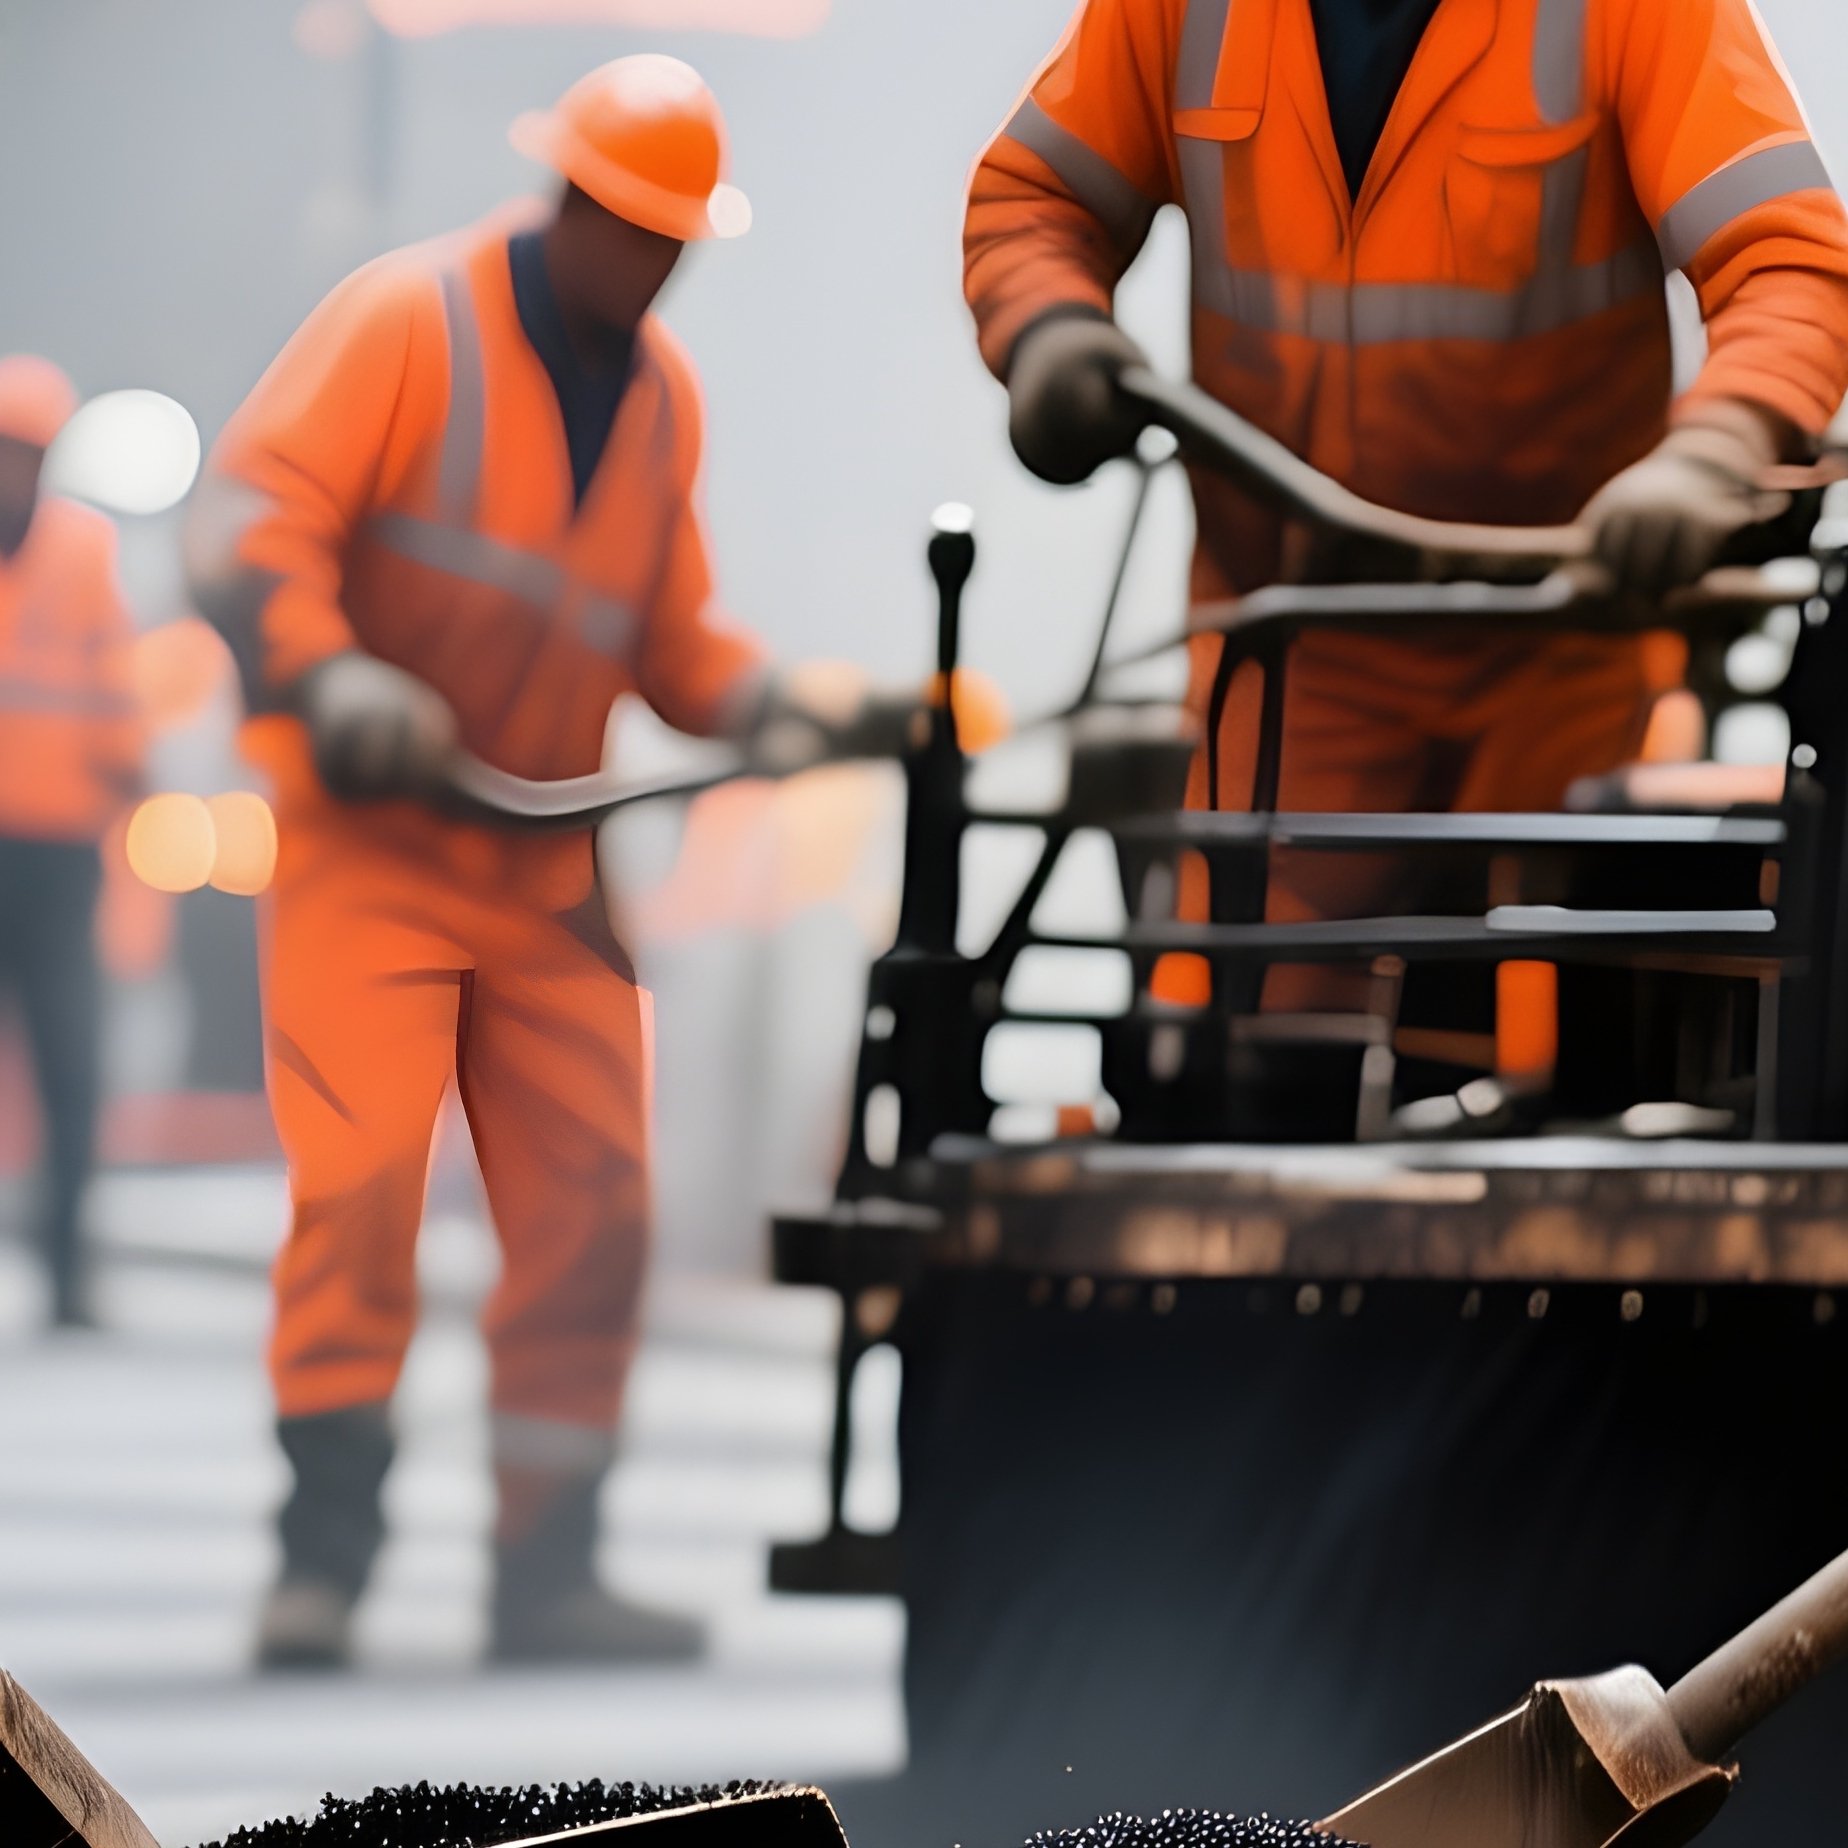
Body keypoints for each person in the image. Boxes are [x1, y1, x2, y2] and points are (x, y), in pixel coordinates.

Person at [187, 54, 869, 1669]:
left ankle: (546, 1564)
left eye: (674, 241)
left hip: (547, 858)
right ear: (565, 200)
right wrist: (325, 670)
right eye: (632, 227)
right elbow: (244, 520)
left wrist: (771, 702)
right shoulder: (402, 320)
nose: (651, 264)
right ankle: (324, 1559)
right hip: (377, 842)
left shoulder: (658, 400)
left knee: (590, 1206)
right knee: (357, 1189)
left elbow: (665, 636)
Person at [965, 0, 1848, 1004]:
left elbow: (1785, 260)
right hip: (1303, 658)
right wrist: (1047, 330)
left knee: (1565, 1044)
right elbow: (1038, 199)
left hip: (1564, 650)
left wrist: (1719, 448)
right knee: (1246, 1063)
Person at [0, 356, 143, 1329]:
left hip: (56, 850)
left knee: (70, 1064)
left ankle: (66, 1276)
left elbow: (116, 687)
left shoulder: (84, 553)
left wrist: (129, 769)